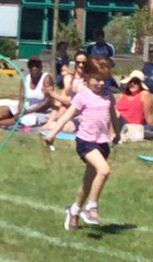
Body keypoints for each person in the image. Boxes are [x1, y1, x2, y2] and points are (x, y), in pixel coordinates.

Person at [43, 61, 118, 228]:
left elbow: (113, 116)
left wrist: (117, 134)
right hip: (86, 142)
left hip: (102, 143)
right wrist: (52, 134)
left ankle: (74, 210)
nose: (101, 83)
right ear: (87, 78)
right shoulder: (83, 96)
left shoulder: (108, 95)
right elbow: (65, 117)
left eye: (104, 79)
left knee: (88, 183)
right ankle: (91, 207)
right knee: (104, 170)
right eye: (97, 79)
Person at [0, 56, 54, 127]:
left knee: (22, 120)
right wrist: (20, 111)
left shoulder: (46, 79)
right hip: (27, 108)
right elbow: (21, 99)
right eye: (31, 65)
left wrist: (26, 112)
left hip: (42, 112)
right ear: (28, 67)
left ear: (41, 67)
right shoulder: (25, 79)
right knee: (7, 108)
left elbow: (47, 102)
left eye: (37, 65)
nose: (34, 68)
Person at [115, 69, 153, 141]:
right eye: (130, 81)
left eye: (136, 82)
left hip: (134, 126)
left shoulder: (144, 95)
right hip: (118, 123)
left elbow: (149, 117)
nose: (132, 84)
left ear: (140, 84)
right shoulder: (122, 95)